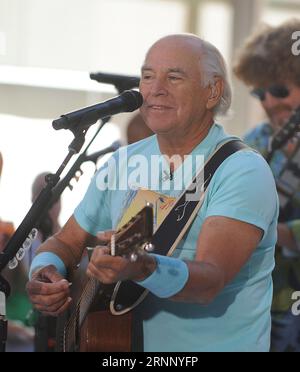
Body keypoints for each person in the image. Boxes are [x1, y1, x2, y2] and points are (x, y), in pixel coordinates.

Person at [26, 34, 278, 352]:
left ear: (212, 91)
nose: (155, 89)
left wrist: (143, 268)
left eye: (174, 77)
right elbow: (65, 241)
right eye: (147, 76)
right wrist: (45, 272)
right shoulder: (123, 163)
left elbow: (210, 281)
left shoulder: (242, 170)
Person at [233, 19, 300, 352]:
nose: (270, 102)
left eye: (280, 90)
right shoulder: (254, 142)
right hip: (260, 302)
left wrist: (279, 232)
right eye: (261, 93)